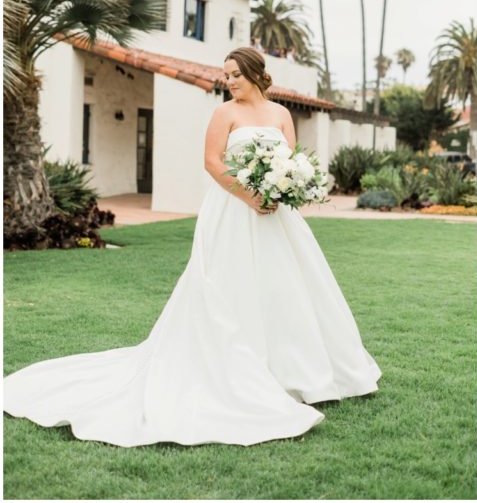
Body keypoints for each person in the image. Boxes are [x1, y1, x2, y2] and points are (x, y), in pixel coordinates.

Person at [4, 47, 381, 446]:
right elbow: (213, 163)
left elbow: (291, 161)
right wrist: (249, 195)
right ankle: (237, 368)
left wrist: (284, 189)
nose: (230, 82)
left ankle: (297, 371)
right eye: (226, 76)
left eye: (235, 74)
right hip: (234, 212)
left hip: (277, 217)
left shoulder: (282, 115)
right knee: (231, 285)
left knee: (284, 287)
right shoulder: (224, 114)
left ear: (255, 73)